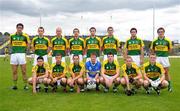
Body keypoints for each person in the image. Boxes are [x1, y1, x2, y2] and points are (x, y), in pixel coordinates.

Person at [150, 27, 173, 92]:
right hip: (157, 58)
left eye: (162, 32)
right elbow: (152, 50)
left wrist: (165, 54)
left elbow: (170, 50)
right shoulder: (154, 41)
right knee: (155, 72)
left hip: (165, 58)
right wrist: (154, 56)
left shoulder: (168, 41)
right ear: (158, 33)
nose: (160, 33)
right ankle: (152, 85)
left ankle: (169, 86)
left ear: (164, 32)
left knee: (166, 72)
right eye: (159, 32)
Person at [10, 23, 30, 90]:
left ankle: (25, 85)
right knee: (14, 71)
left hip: (22, 54)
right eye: (18, 27)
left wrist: (25, 51)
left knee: (24, 71)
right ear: (16, 28)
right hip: (14, 55)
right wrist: (12, 51)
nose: (19, 29)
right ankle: (15, 85)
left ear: (22, 28)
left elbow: (28, 44)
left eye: (20, 27)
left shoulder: (25, 36)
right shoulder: (12, 36)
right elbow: (10, 44)